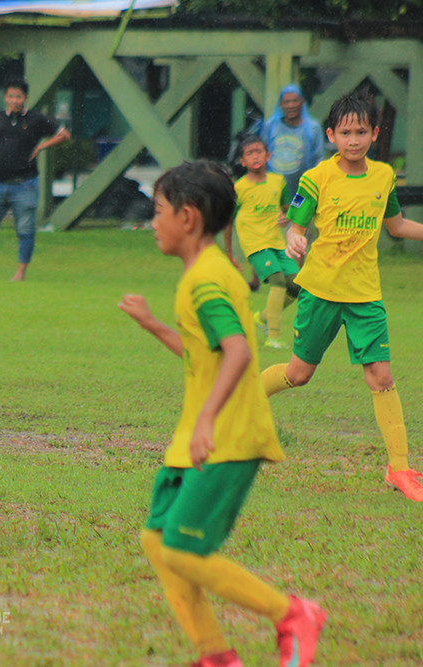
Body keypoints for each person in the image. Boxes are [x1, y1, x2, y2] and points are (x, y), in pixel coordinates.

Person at [119, 160, 326, 667]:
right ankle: (215, 656)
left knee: (185, 551)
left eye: (159, 211)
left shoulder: (207, 280)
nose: (153, 222)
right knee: (156, 539)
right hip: (199, 434)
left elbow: (237, 352)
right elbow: (203, 352)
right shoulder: (207, 273)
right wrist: (152, 325)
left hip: (225, 437)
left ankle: (293, 613)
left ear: (187, 218)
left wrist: (208, 419)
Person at [263, 92, 423, 503]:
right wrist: (295, 241)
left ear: (375, 133)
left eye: (362, 132)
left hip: (366, 295)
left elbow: (397, 226)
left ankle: (400, 468)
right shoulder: (317, 178)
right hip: (320, 291)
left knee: (381, 376)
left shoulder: (384, 177)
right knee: (298, 375)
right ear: (332, 134)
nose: (353, 140)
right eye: (346, 133)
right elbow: (295, 228)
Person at [0, 80, 70, 281]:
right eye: (10, 96)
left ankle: (20, 273)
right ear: (5, 97)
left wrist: (41, 147)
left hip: (25, 184)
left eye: (18, 97)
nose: (14, 100)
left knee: (25, 230)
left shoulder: (36, 119)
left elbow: (64, 134)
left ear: (25, 98)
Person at [223, 135, 299, 350]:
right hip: (255, 245)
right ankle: (273, 337)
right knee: (277, 280)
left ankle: (263, 318)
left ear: (268, 156)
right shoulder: (239, 189)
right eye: (249, 153)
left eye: (258, 152)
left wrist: (288, 217)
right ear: (242, 162)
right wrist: (230, 252)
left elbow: (288, 210)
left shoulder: (278, 182)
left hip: (277, 242)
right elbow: (228, 221)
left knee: (297, 285)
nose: (255, 156)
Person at [259, 84, 325, 201]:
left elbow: (318, 159)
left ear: (302, 102)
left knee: (297, 218)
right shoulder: (270, 126)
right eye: (287, 102)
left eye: (295, 101)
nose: (291, 105)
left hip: (303, 191)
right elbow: (261, 155)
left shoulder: (313, 128)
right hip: (274, 191)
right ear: (280, 104)